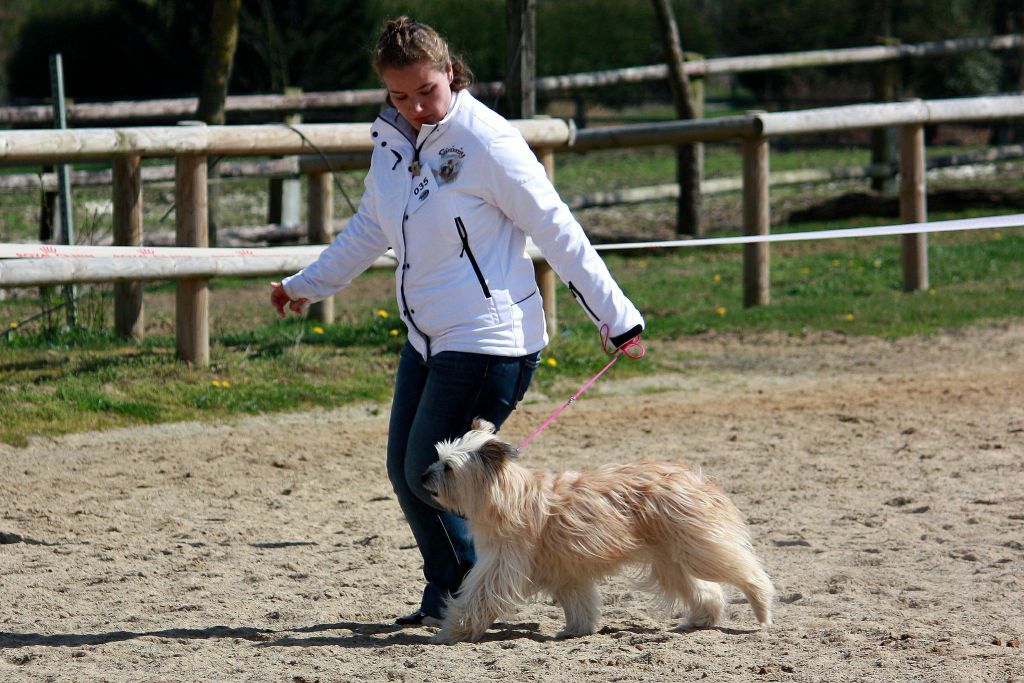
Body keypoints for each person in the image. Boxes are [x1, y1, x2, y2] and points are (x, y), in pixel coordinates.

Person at [270, 16, 644, 627]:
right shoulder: (391, 144)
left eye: (426, 91)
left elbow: (556, 227)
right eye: (399, 95)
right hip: (428, 338)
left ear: (451, 72)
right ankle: (461, 591)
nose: (414, 107)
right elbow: (371, 227)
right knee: (408, 471)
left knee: (432, 476)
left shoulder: (487, 142)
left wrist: (617, 316)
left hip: (491, 339)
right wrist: (306, 286)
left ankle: (471, 595)